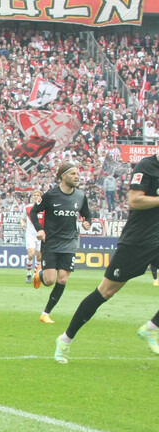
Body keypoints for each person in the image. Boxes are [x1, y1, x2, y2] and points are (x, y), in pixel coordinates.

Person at [54, 153, 159, 362]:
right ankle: (65, 339)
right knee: (106, 291)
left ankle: (152, 327)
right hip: (138, 240)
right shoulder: (147, 166)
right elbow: (134, 200)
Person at [28, 163, 92, 324]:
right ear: (63, 176)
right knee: (49, 280)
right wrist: (40, 230)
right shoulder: (50, 195)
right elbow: (34, 212)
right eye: (73, 174)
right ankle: (40, 274)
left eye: (77, 174)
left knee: (62, 279)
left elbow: (87, 215)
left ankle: (45, 314)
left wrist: (87, 223)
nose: (77, 177)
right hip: (51, 242)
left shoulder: (80, 196)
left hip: (70, 242)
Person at [21, 202, 43, 283]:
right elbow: (22, 218)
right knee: (31, 254)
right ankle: (29, 274)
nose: (36, 197)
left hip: (40, 234)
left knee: (39, 257)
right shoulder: (27, 207)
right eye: (34, 196)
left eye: (38, 196)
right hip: (30, 235)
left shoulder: (44, 207)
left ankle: (35, 275)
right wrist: (23, 223)